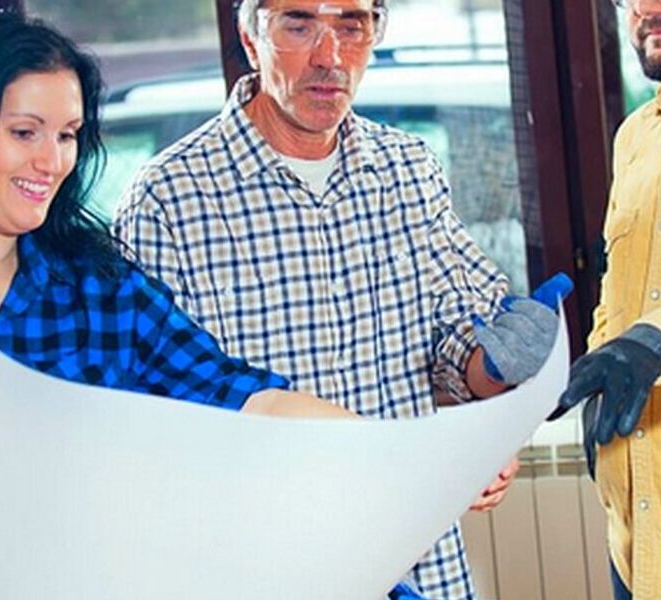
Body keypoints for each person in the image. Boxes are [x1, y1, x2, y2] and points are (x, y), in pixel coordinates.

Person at [115, 1, 564, 598]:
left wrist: (496, 385)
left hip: (420, 564)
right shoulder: (167, 199)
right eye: (299, 24)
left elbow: (459, 345)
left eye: (352, 25)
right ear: (250, 39)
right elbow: (154, 421)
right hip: (266, 569)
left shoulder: (407, 169)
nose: (330, 57)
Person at [0, 10, 357, 422]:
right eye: (25, 133)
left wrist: (380, 451)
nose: (51, 162)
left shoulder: (102, 291)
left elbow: (242, 396)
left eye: (67, 135)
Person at [553, 0, 661, 598]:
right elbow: (618, 288)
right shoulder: (636, 137)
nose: (648, 10)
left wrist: (652, 340)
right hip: (635, 518)